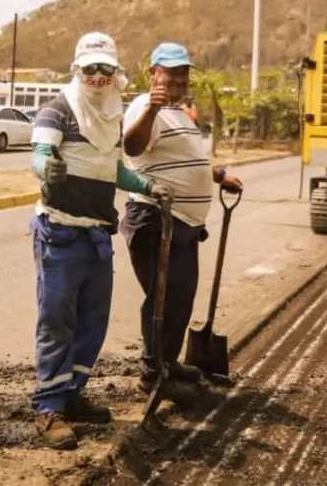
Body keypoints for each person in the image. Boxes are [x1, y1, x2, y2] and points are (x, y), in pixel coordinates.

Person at [28, 31, 170, 450]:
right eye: (89, 68)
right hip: (60, 230)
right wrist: (45, 168)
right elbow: (39, 153)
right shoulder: (57, 110)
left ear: (115, 73)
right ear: (77, 69)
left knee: (93, 321)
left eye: (104, 68)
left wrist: (145, 184)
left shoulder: (114, 113)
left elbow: (113, 169)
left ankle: (72, 395)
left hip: (96, 233)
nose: (96, 76)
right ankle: (48, 407)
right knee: (57, 320)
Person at [121, 42, 243, 399]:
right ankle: (152, 373)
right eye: (170, 72)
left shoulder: (180, 114)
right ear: (153, 74)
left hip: (184, 223)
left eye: (183, 73)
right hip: (156, 219)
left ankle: (168, 362)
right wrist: (153, 109)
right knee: (163, 297)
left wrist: (218, 175)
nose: (177, 79)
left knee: (180, 296)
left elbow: (190, 161)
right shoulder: (147, 107)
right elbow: (132, 147)